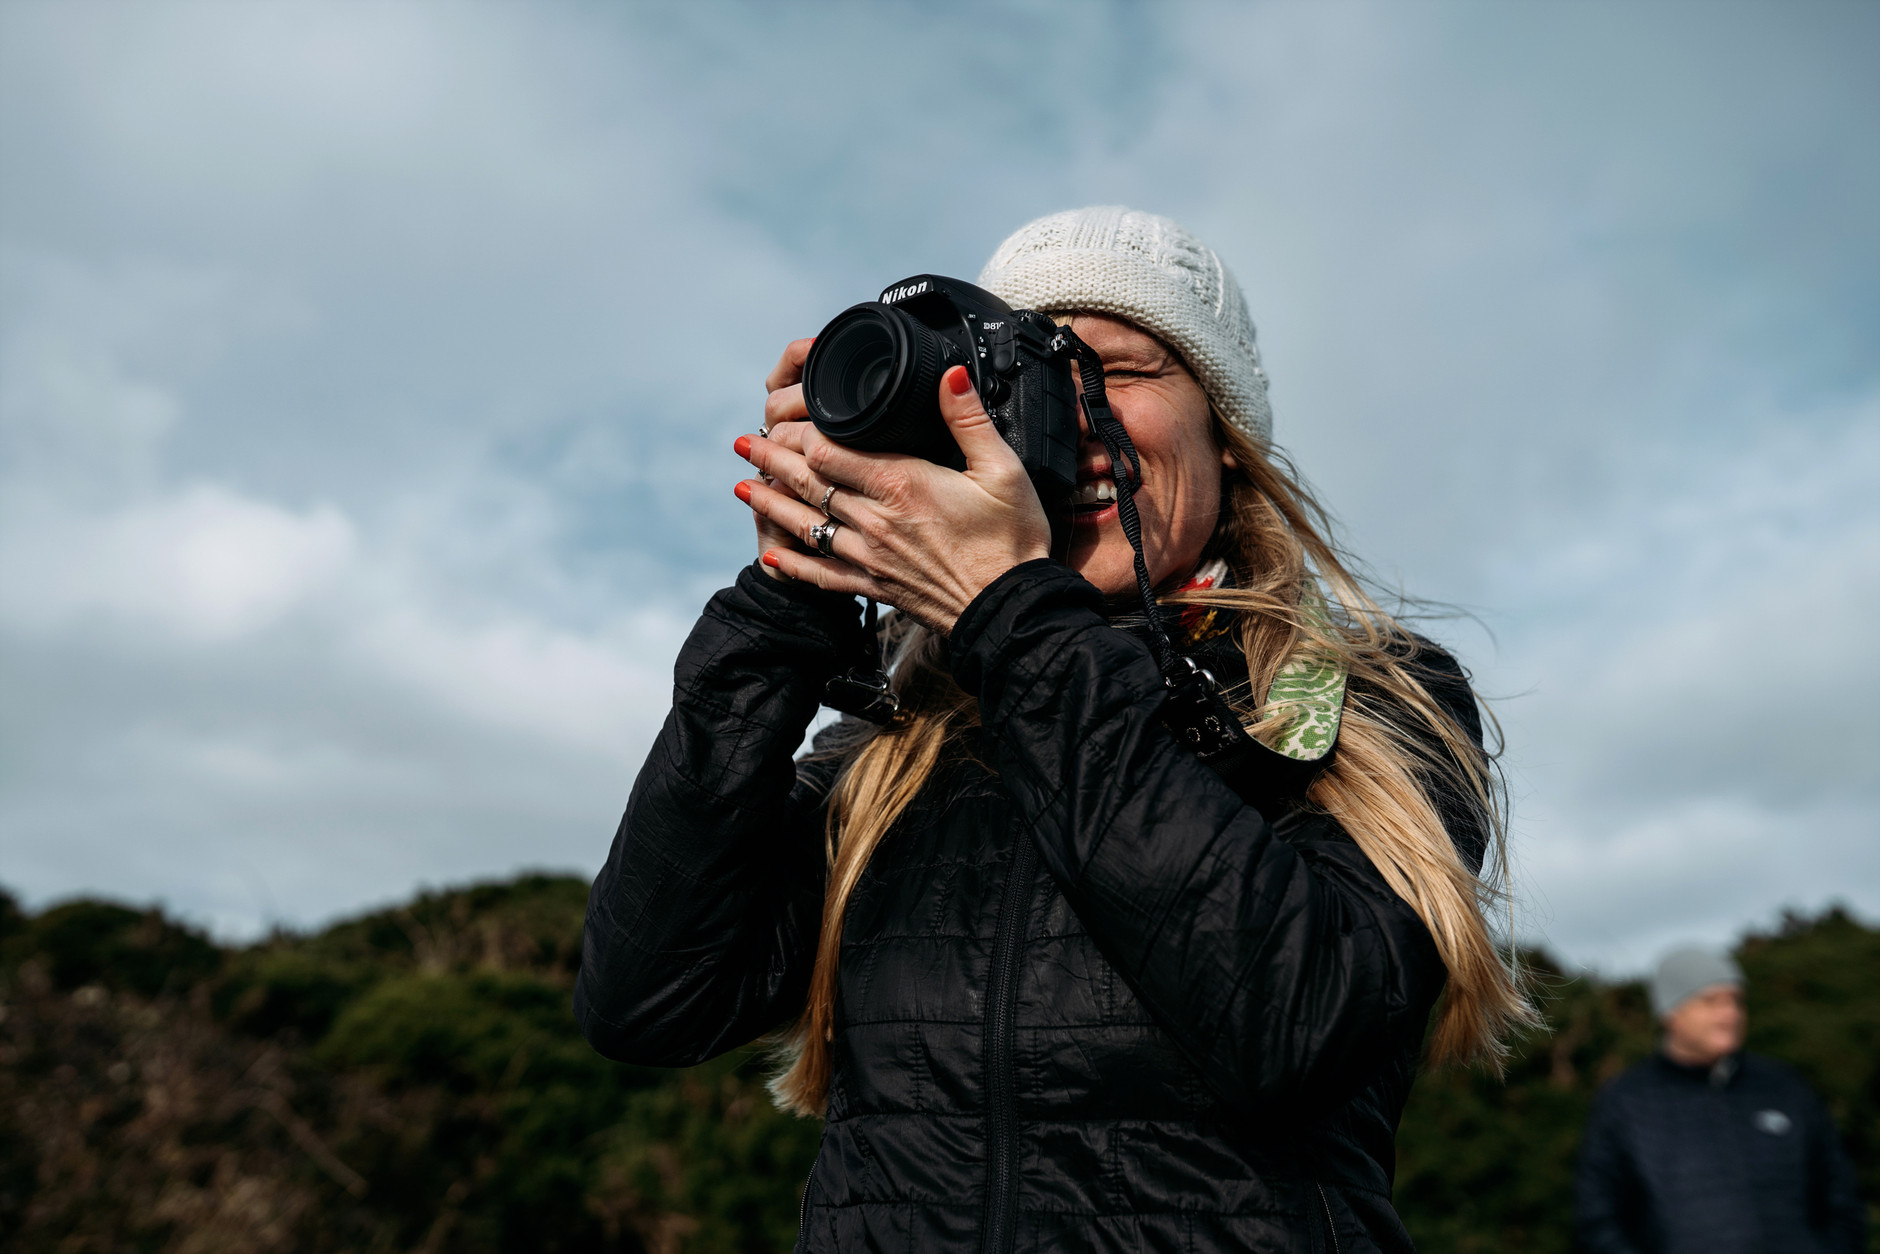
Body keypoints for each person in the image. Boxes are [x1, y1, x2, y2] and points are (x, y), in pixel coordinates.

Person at [576, 206, 1535, 1252]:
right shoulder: (907, 734)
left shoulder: (1364, 694)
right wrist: (791, 599)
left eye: (1118, 370)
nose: (1074, 416)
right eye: (1027, 375)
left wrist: (1014, 619)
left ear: (1224, 428)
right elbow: (651, 1003)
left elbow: (1291, 1025)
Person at [1575, 946, 1865, 1254]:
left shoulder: (1784, 1087)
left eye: (1735, 1000)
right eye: (1711, 1001)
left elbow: (1840, 1197)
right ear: (1672, 1013)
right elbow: (1597, 1219)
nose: (1730, 1014)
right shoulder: (1626, 1101)